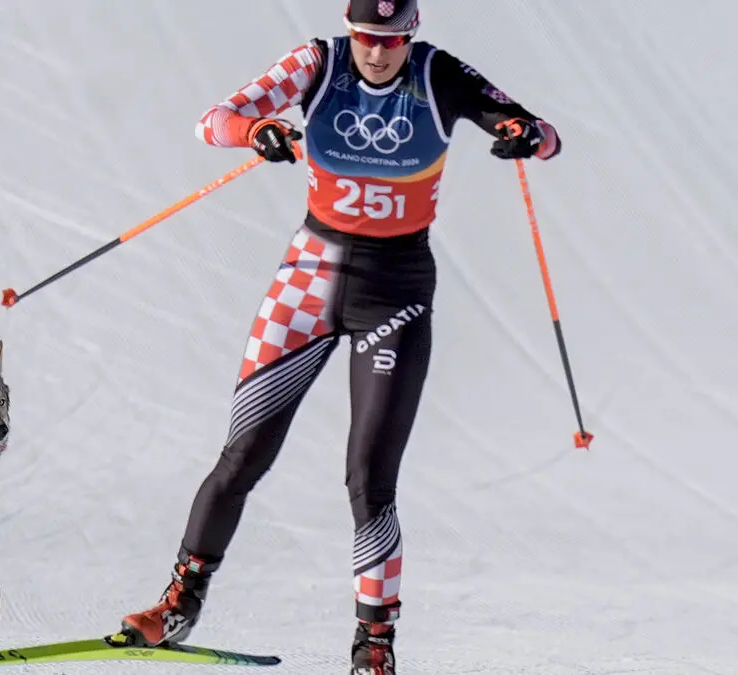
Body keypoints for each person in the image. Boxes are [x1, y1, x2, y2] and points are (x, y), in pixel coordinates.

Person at [115, 1, 562, 673]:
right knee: (242, 455)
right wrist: (259, 128)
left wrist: (526, 135)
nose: (375, 52)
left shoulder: (438, 74)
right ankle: (179, 601)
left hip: (396, 292)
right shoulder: (318, 63)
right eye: (365, 38)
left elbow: (543, 131)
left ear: (409, 36)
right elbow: (213, 121)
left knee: (369, 480)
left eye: (389, 40)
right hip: (307, 280)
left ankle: (374, 645)